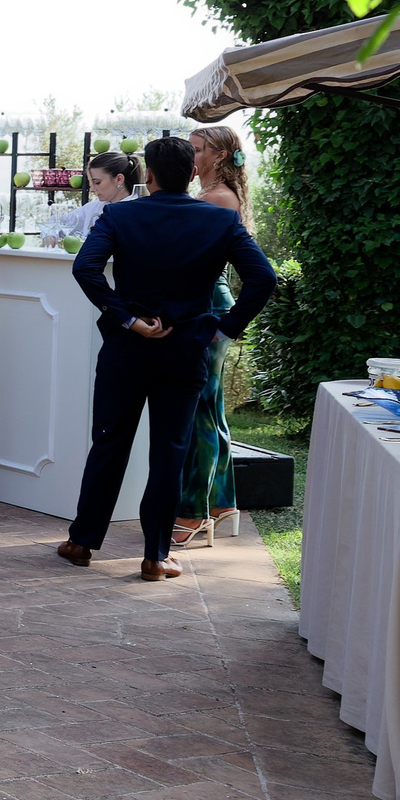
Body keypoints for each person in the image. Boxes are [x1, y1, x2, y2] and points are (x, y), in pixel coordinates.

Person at [58, 135, 276, 580]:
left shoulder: (119, 214)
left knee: (109, 442)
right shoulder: (220, 222)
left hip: (127, 349)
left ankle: (82, 541)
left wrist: (126, 318)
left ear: (149, 176)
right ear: (192, 174)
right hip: (185, 350)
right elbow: (263, 279)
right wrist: (223, 328)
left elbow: (85, 268)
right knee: (171, 451)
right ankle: (156, 556)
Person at [176, 124, 253, 544]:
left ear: (219, 156)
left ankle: (192, 511)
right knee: (211, 409)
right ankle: (222, 504)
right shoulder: (210, 197)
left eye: (197, 150)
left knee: (198, 414)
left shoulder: (218, 200)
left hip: (208, 309)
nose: (191, 158)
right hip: (208, 306)